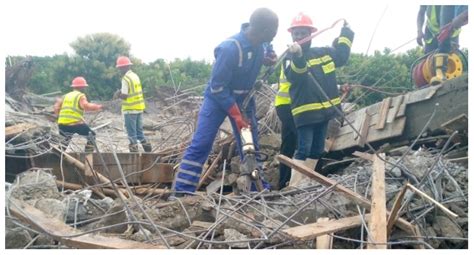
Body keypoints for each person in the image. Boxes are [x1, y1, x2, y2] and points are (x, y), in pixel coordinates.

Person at [172, 8, 279, 195]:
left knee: (250, 146)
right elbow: (218, 87)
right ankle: (182, 192)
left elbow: (268, 49)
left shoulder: (262, 42)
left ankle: (257, 188)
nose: (275, 35)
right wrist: (237, 116)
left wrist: (268, 58)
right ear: (264, 30)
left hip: (244, 100)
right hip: (217, 100)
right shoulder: (229, 49)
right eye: (274, 30)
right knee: (202, 143)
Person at [285, 13, 354, 187]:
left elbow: (342, 57)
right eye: (296, 33)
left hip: (324, 113)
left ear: (311, 33)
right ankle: (293, 186)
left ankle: (305, 182)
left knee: (316, 150)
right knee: (304, 149)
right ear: (292, 35)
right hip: (306, 113)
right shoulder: (290, 57)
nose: (299, 36)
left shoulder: (323, 53)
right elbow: (296, 76)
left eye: (303, 32)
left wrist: (346, 34)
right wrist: (298, 57)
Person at [417, 5, 467, 85]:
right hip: (432, 34)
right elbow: (421, 12)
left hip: (451, 31)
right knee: (429, 66)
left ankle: (451, 83)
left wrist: (453, 24)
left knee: (451, 60)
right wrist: (419, 31)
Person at [54, 76, 103, 152]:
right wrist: (98, 107)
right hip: (75, 124)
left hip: (62, 124)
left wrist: (58, 117)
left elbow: (56, 107)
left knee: (64, 143)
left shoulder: (65, 96)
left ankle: (56, 159)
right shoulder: (80, 96)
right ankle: (87, 157)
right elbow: (86, 106)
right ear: (83, 87)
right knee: (92, 136)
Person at [114, 56, 152, 152]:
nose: (119, 70)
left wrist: (118, 95)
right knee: (139, 133)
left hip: (130, 109)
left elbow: (125, 96)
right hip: (139, 108)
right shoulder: (135, 76)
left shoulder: (125, 79)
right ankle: (149, 151)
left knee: (132, 135)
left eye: (119, 68)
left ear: (123, 67)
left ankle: (134, 155)